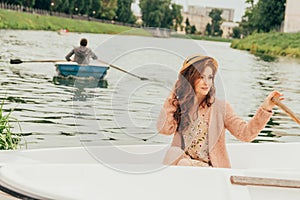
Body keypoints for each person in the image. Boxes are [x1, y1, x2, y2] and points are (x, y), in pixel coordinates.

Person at [156, 54, 284, 168]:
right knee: (174, 153)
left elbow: (246, 134)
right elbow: (164, 129)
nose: (206, 82)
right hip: (183, 163)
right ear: (190, 78)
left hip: (211, 169)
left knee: (182, 162)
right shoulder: (181, 104)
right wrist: (173, 95)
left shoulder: (220, 108)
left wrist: (266, 108)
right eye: (201, 77)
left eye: (210, 77)